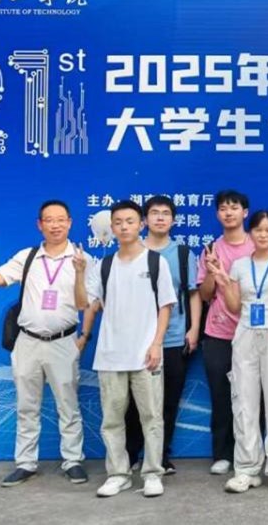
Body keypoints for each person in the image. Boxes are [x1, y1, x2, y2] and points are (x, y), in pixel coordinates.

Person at [0, 200, 88, 487]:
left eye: (61, 219)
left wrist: (80, 272)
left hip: (63, 341)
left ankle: (73, 460)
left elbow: (84, 303)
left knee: (68, 405)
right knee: (26, 406)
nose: (55, 225)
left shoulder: (82, 259)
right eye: (49, 220)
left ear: (70, 222)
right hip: (28, 342)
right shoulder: (28, 256)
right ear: (40, 224)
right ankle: (25, 463)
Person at [78, 200, 176, 498]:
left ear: (140, 224)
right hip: (110, 356)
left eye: (130, 221)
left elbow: (166, 306)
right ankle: (118, 474)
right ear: (112, 227)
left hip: (145, 355)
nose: (124, 227)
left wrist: (156, 343)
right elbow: (85, 303)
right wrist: (80, 273)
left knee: (152, 418)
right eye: (118, 222)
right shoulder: (104, 265)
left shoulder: (155, 262)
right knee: (112, 420)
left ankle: (152, 473)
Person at [209, 211, 268, 494]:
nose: (263, 235)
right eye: (258, 230)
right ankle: (247, 469)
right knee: (244, 402)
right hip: (246, 334)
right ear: (250, 233)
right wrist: (223, 281)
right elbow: (234, 306)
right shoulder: (239, 265)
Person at [119, 195, 202, 475]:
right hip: (137, 341)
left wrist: (193, 328)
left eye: (166, 213)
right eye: (154, 213)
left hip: (174, 338)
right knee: (134, 403)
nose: (160, 218)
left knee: (167, 402)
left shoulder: (183, 254)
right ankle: (131, 454)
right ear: (144, 220)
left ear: (174, 220)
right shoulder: (132, 251)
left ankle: (160, 457)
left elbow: (193, 294)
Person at [196, 190, 254, 475]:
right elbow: (205, 295)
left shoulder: (257, 245)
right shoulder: (211, 249)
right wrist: (211, 272)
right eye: (222, 208)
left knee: (253, 396)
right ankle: (223, 454)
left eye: (234, 207)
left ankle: (252, 452)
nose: (228, 213)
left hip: (253, 331)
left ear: (245, 212)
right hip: (218, 333)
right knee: (221, 397)